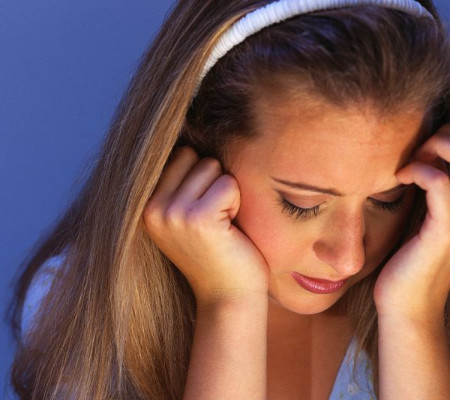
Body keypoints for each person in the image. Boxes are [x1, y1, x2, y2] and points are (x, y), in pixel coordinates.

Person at [9, 0, 450, 399]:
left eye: (388, 199)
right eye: (302, 203)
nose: (349, 258)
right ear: (200, 151)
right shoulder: (80, 309)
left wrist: (415, 318)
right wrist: (228, 303)